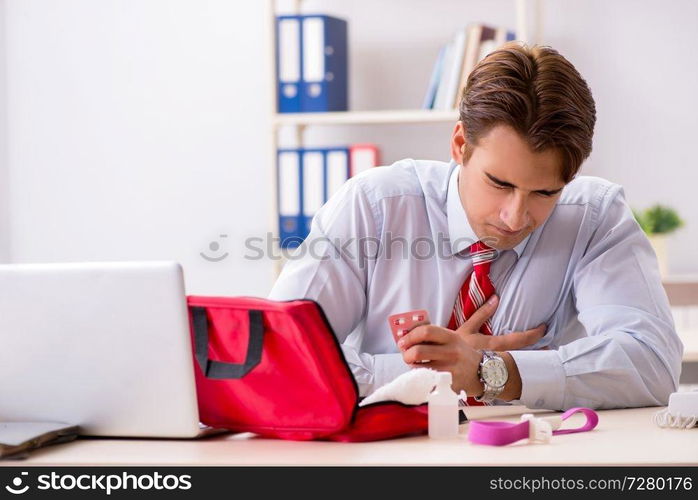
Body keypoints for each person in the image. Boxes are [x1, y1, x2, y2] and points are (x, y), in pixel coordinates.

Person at [268, 42, 683, 410]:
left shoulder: (594, 217)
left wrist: (490, 371)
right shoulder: (373, 207)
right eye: (499, 183)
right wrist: (441, 369)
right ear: (460, 145)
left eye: (545, 193)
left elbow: (652, 363)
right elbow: (279, 357)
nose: (515, 217)